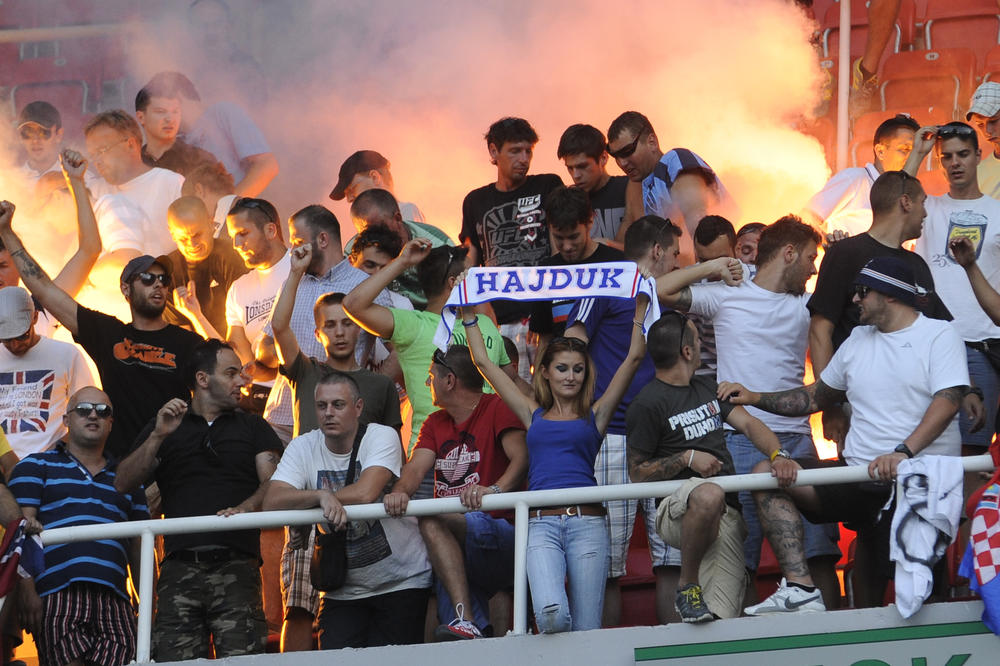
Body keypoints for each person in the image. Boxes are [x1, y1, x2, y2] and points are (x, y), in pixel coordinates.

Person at [718, 256, 969, 611]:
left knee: (921, 596)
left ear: (890, 294)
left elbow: (948, 401)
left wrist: (903, 452)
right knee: (765, 476)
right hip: (858, 474)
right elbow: (815, 397)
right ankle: (801, 588)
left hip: (918, 478)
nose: (854, 299)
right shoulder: (858, 339)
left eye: (862, 291)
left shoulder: (939, 334)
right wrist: (754, 397)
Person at [657, 216, 842, 608]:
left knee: (819, 550)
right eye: (810, 258)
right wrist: (713, 265)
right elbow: (662, 290)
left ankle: (829, 630)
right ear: (789, 253)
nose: (813, 269)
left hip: (797, 437)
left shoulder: (807, 303)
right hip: (738, 439)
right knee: (740, 557)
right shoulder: (727, 294)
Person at [462, 288, 651, 633]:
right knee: (551, 615)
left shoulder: (596, 415)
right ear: (545, 372)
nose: (571, 376)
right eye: (562, 368)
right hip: (540, 524)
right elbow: (484, 364)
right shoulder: (532, 413)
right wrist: (468, 313)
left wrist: (640, 310)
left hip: (588, 525)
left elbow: (633, 359)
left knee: (587, 629)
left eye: (578, 369)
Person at [115, 339, 281, 660]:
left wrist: (245, 508)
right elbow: (123, 482)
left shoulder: (253, 425)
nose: (242, 380)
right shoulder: (165, 425)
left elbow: (274, 484)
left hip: (237, 567)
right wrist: (158, 435)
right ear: (203, 379)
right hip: (178, 570)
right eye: (231, 373)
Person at [626, 313, 796, 622]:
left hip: (725, 512)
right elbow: (637, 473)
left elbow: (749, 424)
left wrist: (778, 454)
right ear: (687, 351)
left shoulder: (707, 387)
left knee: (721, 616)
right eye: (697, 340)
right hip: (677, 507)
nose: (701, 346)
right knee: (708, 493)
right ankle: (687, 585)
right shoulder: (646, 403)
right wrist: (686, 458)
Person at [0, 205, 203, 458]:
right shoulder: (108, 334)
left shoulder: (190, 343)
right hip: (121, 464)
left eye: (163, 279)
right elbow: (44, 290)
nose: (157, 284)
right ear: (126, 289)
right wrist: (6, 232)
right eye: (147, 278)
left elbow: (215, 394)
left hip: (176, 461)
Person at [564, 215, 682, 626]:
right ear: (657, 251)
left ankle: (676, 651)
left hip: (666, 436)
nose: (677, 263)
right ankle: (601, 652)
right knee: (606, 566)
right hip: (612, 434)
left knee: (673, 560)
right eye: (674, 254)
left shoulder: (672, 293)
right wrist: (577, 411)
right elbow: (573, 341)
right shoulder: (605, 283)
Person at [263, 373, 431, 649]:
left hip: (401, 581)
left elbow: (366, 493)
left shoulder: (381, 435)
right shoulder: (303, 446)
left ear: (358, 407)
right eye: (322, 406)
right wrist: (319, 496)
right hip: (341, 590)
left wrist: (312, 503)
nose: (328, 413)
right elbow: (272, 500)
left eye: (338, 405)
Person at [383, 345, 528, 640]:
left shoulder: (497, 407)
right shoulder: (435, 422)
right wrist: (400, 492)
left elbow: (522, 459)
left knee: (433, 518)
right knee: (458, 643)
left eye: (431, 376)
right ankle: (466, 623)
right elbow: (415, 469)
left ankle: (465, 619)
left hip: (501, 531)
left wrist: (493, 490)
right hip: (457, 542)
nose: (428, 383)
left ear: (449, 380)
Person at [807, 170, 955, 446]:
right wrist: (829, 405)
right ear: (905, 202)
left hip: (915, 407)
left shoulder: (917, 265)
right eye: (922, 203)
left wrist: (969, 390)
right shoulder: (845, 253)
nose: (925, 213)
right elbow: (820, 330)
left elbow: (940, 329)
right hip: (860, 410)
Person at [10, 387, 148, 666]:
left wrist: (148, 609)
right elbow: (21, 531)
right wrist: (27, 592)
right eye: (84, 409)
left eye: (103, 411)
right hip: (57, 593)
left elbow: (140, 547)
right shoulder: (35, 466)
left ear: (111, 422)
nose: (93, 415)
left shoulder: (129, 478)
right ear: (67, 420)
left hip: (115, 597)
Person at [343, 239, 512, 463]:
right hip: (432, 457)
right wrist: (402, 262)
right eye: (471, 276)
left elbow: (510, 382)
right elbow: (352, 304)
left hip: (490, 454)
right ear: (453, 283)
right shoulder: (413, 325)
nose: (479, 282)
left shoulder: (486, 323)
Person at [258, 204, 395, 448]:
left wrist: (369, 385)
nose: (293, 249)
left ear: (322, 239)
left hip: (338, 421)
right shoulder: (291, 283)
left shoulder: (365, 286)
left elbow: (400, 348)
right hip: (281, 417)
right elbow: (271, 338)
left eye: (298, 241)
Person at [905, 123, 1000, 456]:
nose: (955, 163)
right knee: (925, 447)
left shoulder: (998, 212)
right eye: (947, 157)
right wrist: (918, 153)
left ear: (978, 156)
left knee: (971, 450)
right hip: (929, 342)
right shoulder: (927, 208)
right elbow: (894, 199)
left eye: (963, 154)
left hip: (982, 344)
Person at [459, 117, 563, 380]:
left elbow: (559, 249)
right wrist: (479, 308)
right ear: (494, 152)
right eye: (515, 151)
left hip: (544, 315)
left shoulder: (548, 185)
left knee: (550, 391)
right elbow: (470, 260)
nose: (524, 159)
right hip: (499, 319)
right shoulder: (475, 200)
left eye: (529, 151)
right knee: (505, 396)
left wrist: (547, 310)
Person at [606, 110, 736, 264]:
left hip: (717, 270)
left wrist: (705, 272)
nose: (622, 162)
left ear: (652, 142)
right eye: (616, 156)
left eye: (627, 151)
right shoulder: (649, 184)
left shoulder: (674, 160)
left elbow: (700, 224)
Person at [0, 149, 103, 334]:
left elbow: (89, 251)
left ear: (20, 268)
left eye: (2, 266)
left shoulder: (44, 309)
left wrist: (76, 182)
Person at [528, 185, 624, 361]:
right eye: (558, 237)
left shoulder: (618, 264)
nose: (566, 246)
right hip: (565, 372)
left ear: (590, 221)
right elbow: (545, 340)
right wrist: (540, 378)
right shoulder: (546, 272)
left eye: (573, 237)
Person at [144, 71, 277, 196]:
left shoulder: (222, 113)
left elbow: (266, 165)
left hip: (241, 208)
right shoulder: (176, 140)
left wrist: (230, 205)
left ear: (180, 98)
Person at [0, 286, 94, 459]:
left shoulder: (66, 354)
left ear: (35, 317)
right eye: (6, 339)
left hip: (50, 463)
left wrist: (54, 453)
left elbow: (87, 413)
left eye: (21, 335)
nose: (14, 345)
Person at [85, 110, 184, 257]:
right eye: (93, 155)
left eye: (102, 150)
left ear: (130, 145)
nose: (97, 161)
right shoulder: (93, 191)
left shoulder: (171, 184)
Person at [804, 114, 920, 236]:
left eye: (916, 152)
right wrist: (831, 243)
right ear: (880, 151)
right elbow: (807, 218)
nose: (911, 158)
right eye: (904, 150)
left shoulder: (910, 196)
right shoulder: (855, 179)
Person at [224, 197, 290, 413]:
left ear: (270, 230)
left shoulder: (301, 266)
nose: (236, 245)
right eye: (233, 237)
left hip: (306, 388)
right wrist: (248, 371)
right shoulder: (238, 288)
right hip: (261, 398)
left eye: (243, 234)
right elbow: (237, 345)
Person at [348, 189, 454, 309]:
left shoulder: (439, 245)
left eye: (380, 227)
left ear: (398, 218)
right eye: (366, 232)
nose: (375, 235)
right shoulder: (353, 250)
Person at [163, 195, 249, 336]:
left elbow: (243, 332)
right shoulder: (167, 272)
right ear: (172, 234)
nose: (192, 244)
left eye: (197, 235)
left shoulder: (233, 256)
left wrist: (197, 317)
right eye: (183, 239)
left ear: (211, 223)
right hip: (199, 348)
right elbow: (183, 340)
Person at [556, 123, 630, 246]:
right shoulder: (569, 202)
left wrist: (607, 245)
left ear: (603, 158)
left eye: (582, 166)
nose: (576, 175)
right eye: (570, 168)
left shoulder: (629, 188)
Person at [135, 79, 221, 177]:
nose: (170, 119)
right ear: (141, 117)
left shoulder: (201, 161)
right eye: (161, 112)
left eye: (175, 112)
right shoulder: (133, 163)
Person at [329, 149, 427, 223]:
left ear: (374, 177)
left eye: (352, 189)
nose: (349, 199)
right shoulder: (367, 224)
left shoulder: (406, 211)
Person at [348, 224, 414, 309]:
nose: (377, 273)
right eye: (369, 265)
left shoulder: (402, 305)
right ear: (351, 262)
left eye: (385, 268)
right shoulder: (335, 295)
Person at [181, 161, 237, 237]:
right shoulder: (246, 210)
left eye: (190, 205)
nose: (195, 216)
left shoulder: (232, 226)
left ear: (199, 190)